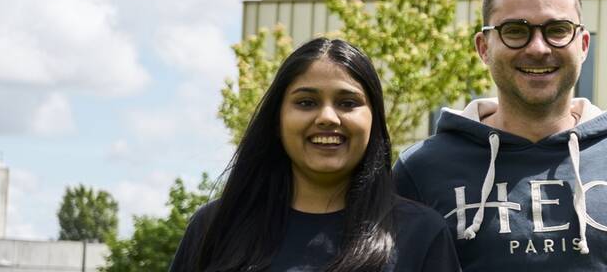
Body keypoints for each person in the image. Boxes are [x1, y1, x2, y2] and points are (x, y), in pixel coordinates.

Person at [393, 0, 607, 271]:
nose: (538, 47)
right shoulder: (420, 171)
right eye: (515, 31)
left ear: (583, 45)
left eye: (557, 30)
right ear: (483, 48)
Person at [172, 38, 458, 271]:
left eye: (347, 103)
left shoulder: (421, 234)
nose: (327, 117)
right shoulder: (214, 227)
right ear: (277, 119)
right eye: (306, 102)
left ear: (374, 122)